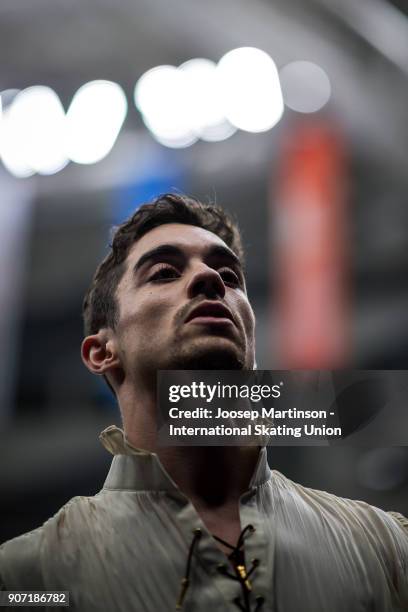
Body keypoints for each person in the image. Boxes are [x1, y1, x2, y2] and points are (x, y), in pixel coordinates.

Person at [0, 193, 407, 611]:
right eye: (164, 272)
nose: (210, 279)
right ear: (102, 352)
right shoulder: (26, 579)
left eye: (229, 276)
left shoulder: (386, 551)